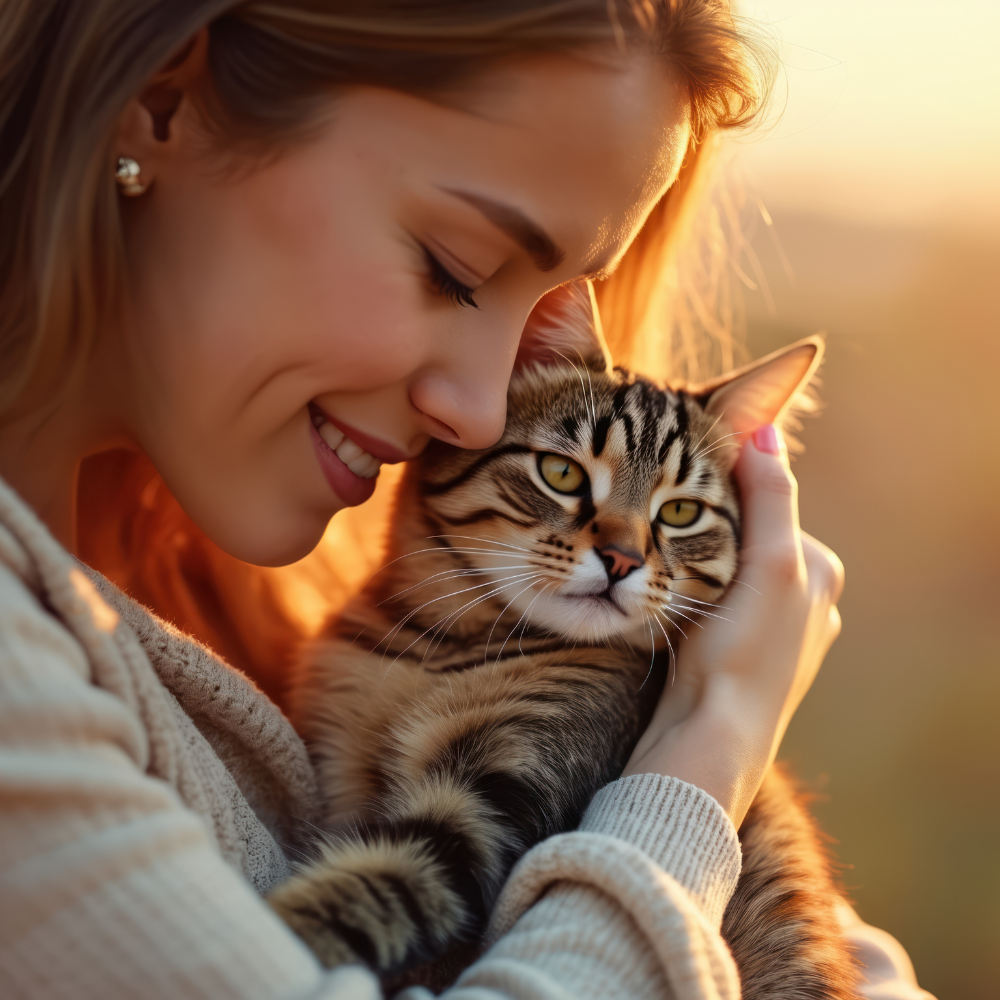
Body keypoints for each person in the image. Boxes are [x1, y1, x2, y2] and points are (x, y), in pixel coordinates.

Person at [0, 2, 932, 998]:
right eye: (454, 269)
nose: (485, 412)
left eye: (536, 315)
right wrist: (707, 754)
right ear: (162, 99)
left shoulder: (231, 605)